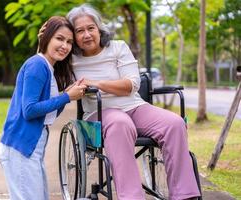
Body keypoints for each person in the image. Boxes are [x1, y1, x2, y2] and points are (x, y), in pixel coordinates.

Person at [67, 4, 200, 200]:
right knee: (121, 123)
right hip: (100, 113)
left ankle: (184, 195)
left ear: (99, 28)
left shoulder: (118, 47)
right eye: (80, 31)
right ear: (74, 35)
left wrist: (96, 83)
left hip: (134, 106)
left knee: (175, 123)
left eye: (91, 28)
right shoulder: (70, 59)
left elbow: (132, 84)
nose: (87, 34)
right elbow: (55, 75)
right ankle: (131, 197)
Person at [0, 16, 86, 200]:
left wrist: (65, 96)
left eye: (69, 42)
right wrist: (66, 96)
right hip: (21, 147)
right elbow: (29, 110)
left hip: (30, 147)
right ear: (47, 38)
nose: (65, 46)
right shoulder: (37, 65)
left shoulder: (48, 68)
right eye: (59, 39)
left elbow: (47, 114)